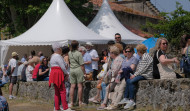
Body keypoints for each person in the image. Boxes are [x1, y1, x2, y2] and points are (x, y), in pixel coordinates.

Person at [106, 46, 138, 110]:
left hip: (128, 76)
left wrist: (123, 70)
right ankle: (113, 103)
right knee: (116, 89)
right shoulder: (125, 59)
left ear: (132, 52)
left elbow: (132, 68)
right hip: (121, 76)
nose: (128, 53)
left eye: (129, 51)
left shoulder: (134, 59)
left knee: (120, 89)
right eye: (126, 51)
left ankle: (116, 105)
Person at [123, 44, 153, 109]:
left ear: (140, 51)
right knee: (128, 80)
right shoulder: (142, 57)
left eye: (137, 51)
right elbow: (139, 68)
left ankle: (131, 100)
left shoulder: (146, 57)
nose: (136, 53)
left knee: (131, 81)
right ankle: (126, 98)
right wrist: (135, 74)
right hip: (142, 74)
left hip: (146, 75)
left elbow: (143, 69)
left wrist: (134, 75)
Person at [98, 46, 124, 110]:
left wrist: (109, 75)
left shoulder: (118, 59)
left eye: (110, 53)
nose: (109, 54)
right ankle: (106, 103)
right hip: (115, 78)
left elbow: (115, 70)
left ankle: (105, 103)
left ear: (113, 53)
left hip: (117, 78)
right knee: (107, 88)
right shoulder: (116, 59)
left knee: (108, 89)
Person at [49, 42, 69, 111]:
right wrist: (66, 73)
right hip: (58, 73)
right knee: (62, 91)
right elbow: (63, 67)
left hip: (53, 73)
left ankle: (57, 107)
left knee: (57, 92)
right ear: (58, 49)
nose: (61, 50)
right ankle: (65, 107)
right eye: (60, 48)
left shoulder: (52, 56)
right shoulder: (58, 56)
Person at [69, 40, 86, 108]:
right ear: (77, 46)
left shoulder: (69, 53)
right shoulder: (79, 53)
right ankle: (80, 102)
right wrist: (84, 72)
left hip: (72, 69)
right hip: (78, 69)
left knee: (72, 86)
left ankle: (72, 102)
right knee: (80, 86)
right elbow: (82, 65)